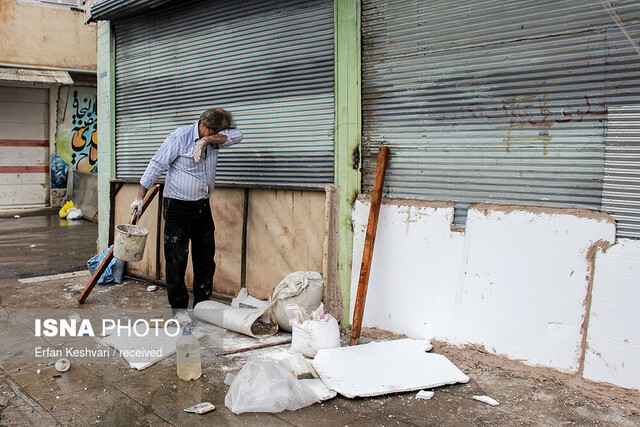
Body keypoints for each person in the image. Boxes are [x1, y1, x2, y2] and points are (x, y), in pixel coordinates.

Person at [131, 108, 242, 324]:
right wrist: (139, 198)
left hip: (202, 206)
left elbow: (238, 135)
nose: (223, 135)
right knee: (177, 260)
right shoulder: (179, 137)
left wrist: (206, 141)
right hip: (177, 208)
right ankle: (179, 309)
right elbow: (156, 165)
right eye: (219, 131)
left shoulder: (213, 138)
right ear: (210, 127)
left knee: (205, 259)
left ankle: (202, 305)